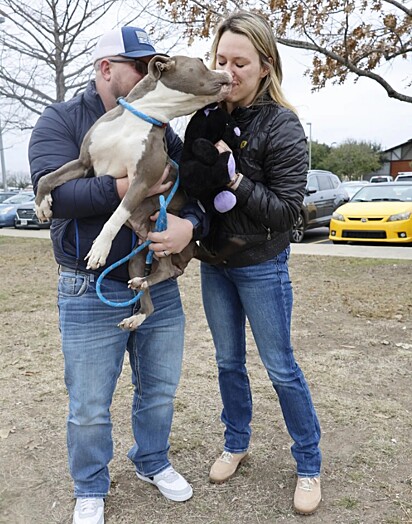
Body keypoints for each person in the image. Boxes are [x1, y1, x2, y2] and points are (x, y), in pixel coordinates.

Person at [29, 26, 205, 524]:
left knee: (160, 389)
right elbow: (59, 198)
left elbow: (190, 185)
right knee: (88, 405)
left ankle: (152, 461)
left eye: (156, 63)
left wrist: (190, 225)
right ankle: (90, 486)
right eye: (141, 64)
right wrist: (127, 184)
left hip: (155, 281)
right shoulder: (62, 121)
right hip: (87, 288)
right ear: (107, 68)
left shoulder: (158, 123)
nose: (153, 72)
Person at [196, 12, 322, 515]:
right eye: (220, 60)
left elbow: (288, 212)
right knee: (228, 363)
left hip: (261, 265)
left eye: (240, 62)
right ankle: (237, 441)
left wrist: (232, 179)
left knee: (280, 367)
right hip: (214, 263)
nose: (227, 71)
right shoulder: (207, 114)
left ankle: (309, 464)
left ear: (266, 66)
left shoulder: (283, 125)